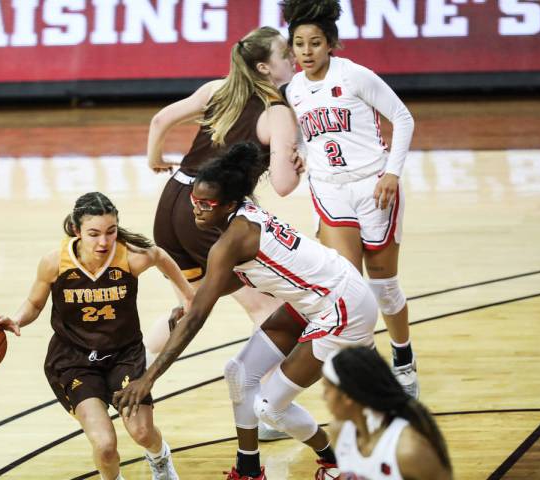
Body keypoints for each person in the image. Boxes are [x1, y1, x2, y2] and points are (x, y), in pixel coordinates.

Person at [114, 142, 378, 480]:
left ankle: (337, 462)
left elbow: (199, 318)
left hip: (342, 306)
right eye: (194, 201)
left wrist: (147, 379)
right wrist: (193, 299)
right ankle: (249, 470)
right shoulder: (240, 217)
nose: (197, 210)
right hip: (320, 295)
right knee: (239, 372)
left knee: (270, 408)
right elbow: (224, 283)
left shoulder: (231, 240)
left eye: (206, 204)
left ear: (228, 204)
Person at [0, 192, 192, 480]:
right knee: (105, 446)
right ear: (76, 230)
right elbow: (34, 304)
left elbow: (159, 255)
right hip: (74, 360)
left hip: (124, 355)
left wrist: (188, 298)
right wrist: (16, 318)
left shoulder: (129, 258)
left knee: (142, 432)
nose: (103, 242)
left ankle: (159, 458)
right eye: (94, 234)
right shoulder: (55, 263)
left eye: (111, 232)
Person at [280, 0, 419, 397]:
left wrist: (392, 173)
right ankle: (365, 372)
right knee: (347, 290)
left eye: (315, 43)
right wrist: (302, 153)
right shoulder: (293, 90)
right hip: (328, 188)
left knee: (384, 286)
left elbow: (404, 118)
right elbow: (310, 136)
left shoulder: (355, 75)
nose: (306, 52)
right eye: (299, 44)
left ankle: (403, 356)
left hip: (373, 185)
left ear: (330, 45)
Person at [143, 26, 303, 358]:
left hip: (172, 203)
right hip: (207, 214)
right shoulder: (276, 112)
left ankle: (131, 368)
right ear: (264, 68)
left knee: (190, 307)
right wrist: (299, 164)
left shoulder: (217, 89)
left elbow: (160, 120)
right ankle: (265, 398)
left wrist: (154, 159)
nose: (293, 57)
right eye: (285, 53)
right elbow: (284, 186)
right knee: (268, 308)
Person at [321, 346, 452, 479]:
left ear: (347, 397)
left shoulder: (408, 451)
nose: (323, 396)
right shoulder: (339, 431)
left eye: (326, 388)